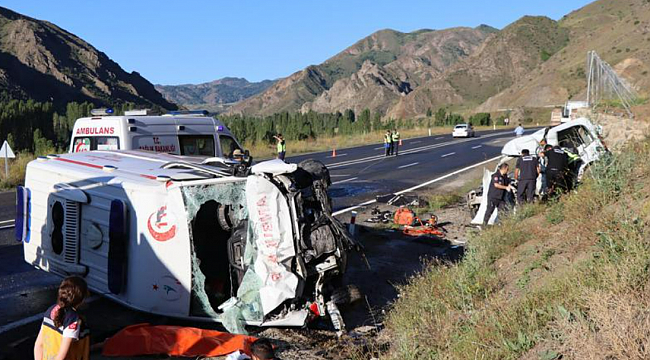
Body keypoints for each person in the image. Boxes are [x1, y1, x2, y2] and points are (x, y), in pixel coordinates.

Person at [34, 276, 90, 360]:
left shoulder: (50, 310)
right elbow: (62, 355)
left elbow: (38, 345)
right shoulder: (73, 319)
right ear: (82, 299)